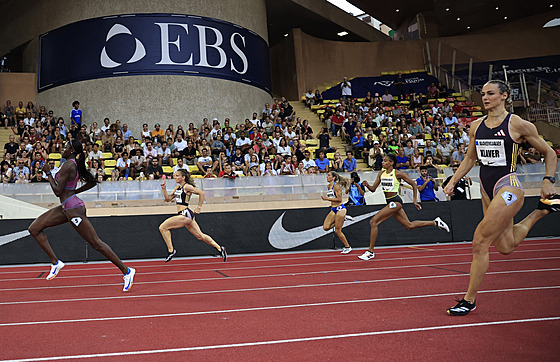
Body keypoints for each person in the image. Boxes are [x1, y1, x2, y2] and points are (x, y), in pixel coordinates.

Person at [443, 80, 559, 316]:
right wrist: (452, 180)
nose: (485, 98)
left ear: (504, 96)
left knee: (480, 241)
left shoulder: (517, 124)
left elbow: (549, 152)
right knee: (505, 246)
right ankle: (541, 211)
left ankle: (469, 299)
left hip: (508, 188)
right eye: (483, 94)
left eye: (490, 93)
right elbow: (469, 159)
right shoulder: (476, 126)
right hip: (486, 190)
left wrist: (549, 179)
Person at [28, 140, 135, 291]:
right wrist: (74, 193)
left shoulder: (69, 165)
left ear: (72, 151)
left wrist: (47, 173)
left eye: (66, 147)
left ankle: (127, 271)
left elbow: (58, 191)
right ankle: (55, 262)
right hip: (67, 206)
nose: (63, 149)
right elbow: (92, 182)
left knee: (95, 243)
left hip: (73, 210)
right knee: (34, 228)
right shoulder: (73, 164)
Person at [358, 153, 450, 261]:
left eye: (385, 160)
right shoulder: (380, 174)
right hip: (389, 202)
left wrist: (415, 200)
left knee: (373, 221)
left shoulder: (398, 174)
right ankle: (435, 222)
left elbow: (414, 184)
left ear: (391, 163)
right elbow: (373, 189)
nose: (382, 162)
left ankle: (370, 251)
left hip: (396, 201)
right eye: (382, 160)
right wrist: (367, 185)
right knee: (409, 225)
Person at [159, 169, 227, 263]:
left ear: (183, 177)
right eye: (175, 175)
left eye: (178, 175)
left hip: (185, 213)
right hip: (185, 215)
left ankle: (171, 251)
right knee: (200, 236)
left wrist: (199, 207)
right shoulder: (177, 188)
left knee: (163, 227)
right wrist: (164, 189)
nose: (175, 177)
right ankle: (220, 248)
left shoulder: (187, 187)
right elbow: (167, 199)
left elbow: (201, 193)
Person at [321, 171, 353, 254]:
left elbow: (339, 199)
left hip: (340, 209)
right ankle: (344, 219)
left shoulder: (336, 186)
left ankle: (348, 247)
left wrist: (326, 199)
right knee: (326, 227)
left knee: (337, 231)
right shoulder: (328, 186)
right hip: (333, 209)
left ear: (333, 177)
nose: (327, 177)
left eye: (328, 175)